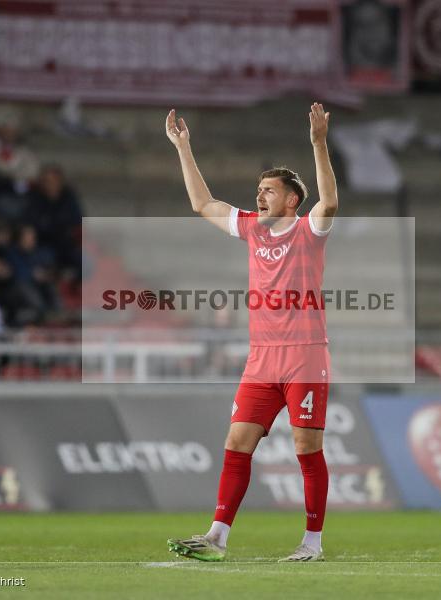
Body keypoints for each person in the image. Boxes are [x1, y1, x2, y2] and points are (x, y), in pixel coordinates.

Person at [165, 103, 338, 562]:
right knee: (237, 441)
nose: (259, 197)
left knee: (306, 446)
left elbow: (331, 202)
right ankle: (217, 536)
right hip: (262, 359)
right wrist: (183, 147)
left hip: (305, 356)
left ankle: (312, 543)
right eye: (258, 191)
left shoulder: (308, 232)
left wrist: (319, 143)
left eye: (268, 192)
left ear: (290, 201)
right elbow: (202, 203)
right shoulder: (252, 231)